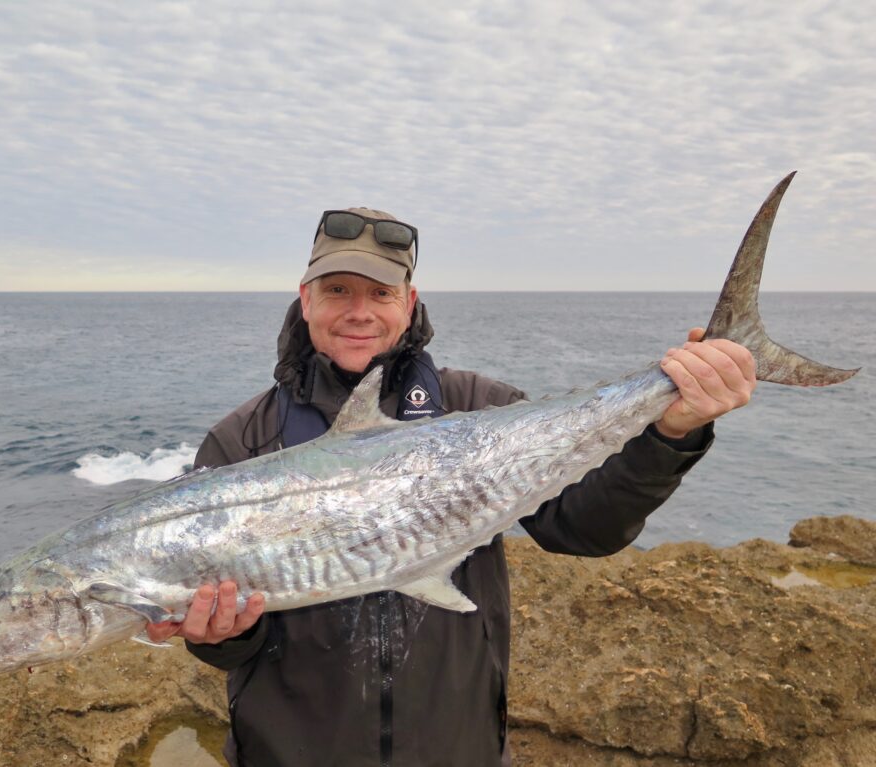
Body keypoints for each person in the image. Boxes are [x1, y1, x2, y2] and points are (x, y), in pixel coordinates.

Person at [146, 208, 756, 766]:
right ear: (305, 301)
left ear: (408, 304)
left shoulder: (476, 407)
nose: (359, 311)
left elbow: (582, 531)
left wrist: (671, 435)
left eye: (380, 293)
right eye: (338, 291)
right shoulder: (241, 443)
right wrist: (223, 634)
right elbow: (225, 644)